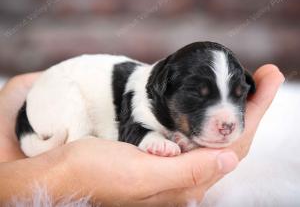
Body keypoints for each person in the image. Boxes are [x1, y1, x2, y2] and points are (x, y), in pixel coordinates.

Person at [0, 64, 284, 206]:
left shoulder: (162, 89)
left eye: (236, 97)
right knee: (80, 117)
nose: (227, 121)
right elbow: (132, 130)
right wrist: (61, 171)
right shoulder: (143, 98)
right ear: (163, 88)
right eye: (199, 96)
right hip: (53, 101)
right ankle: (75, 137)